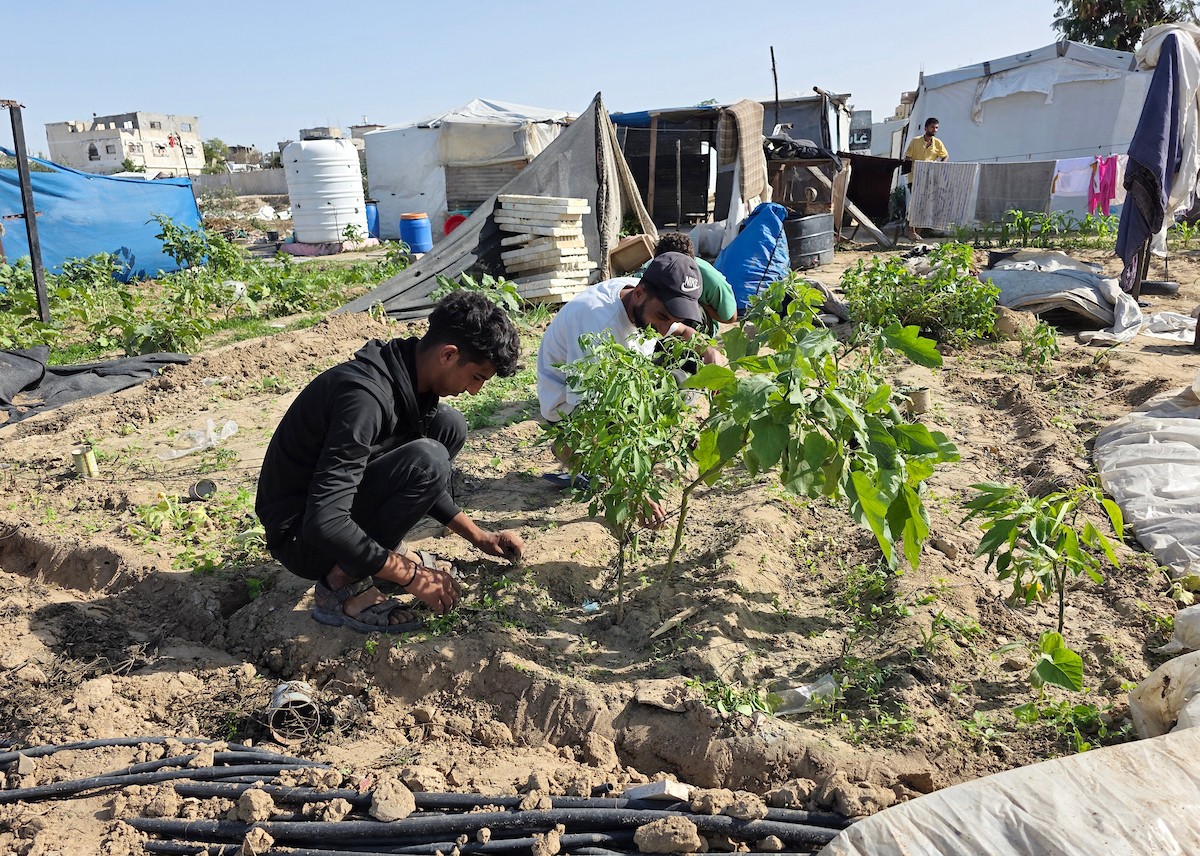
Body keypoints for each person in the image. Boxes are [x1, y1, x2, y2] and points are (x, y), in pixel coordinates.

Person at [255, 291, 525, 634]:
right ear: (448, 354)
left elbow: (415, 478)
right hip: (301, 537)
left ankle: (376, 553)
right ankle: (342, 583)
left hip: (328, 514)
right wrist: (410, 575)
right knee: (430, 458)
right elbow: (325, 521)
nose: (474, 390)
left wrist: (479, 536)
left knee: (449, 426)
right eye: (477, 377)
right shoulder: (365, 400)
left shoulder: (409, 375)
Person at [536, 252, 707, 527]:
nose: (665, 329)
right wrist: (631, 494)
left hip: (618, 387)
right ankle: (569, 451)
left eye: (672, 319)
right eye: (662, 317)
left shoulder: (644, 300)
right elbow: (589, 418)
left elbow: (681, 330)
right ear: (639, 294)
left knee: (679, 379)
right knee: (602, 443)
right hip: (568, 407)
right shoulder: (596, 326)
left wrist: (709, 351)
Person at [644, 232, 738, 336]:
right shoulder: (651, 269)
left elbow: (731, 317)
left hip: (699, 324)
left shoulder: (711, 279)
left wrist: (695, 303)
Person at [903, 117, 948, 240]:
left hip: (930, 179)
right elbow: (907, 157)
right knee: (914, 205)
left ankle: (918, 233)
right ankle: (911, 231)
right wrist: (909, 170)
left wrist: (940, 166)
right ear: (926, 128)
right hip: (915, 178)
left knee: (925, 205)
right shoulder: (915, 141)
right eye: (932, 127)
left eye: (936, 128)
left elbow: (945, 156)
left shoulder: (937, 143)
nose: (935, 130)